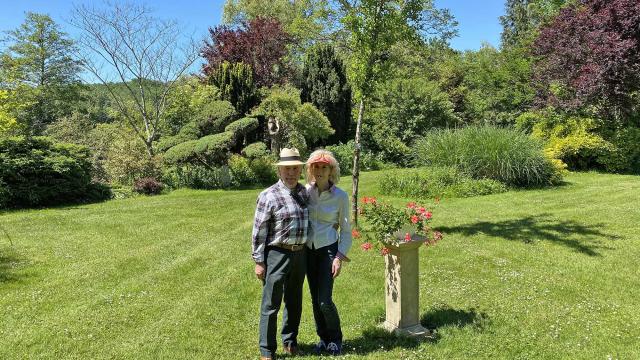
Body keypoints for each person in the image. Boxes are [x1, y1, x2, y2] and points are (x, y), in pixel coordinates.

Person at [252, 148, 309, 360]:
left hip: (300, 254)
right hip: (277, 253)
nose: (291, 173)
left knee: (294, 301)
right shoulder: (268, 196)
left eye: (295, 168)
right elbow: (259, 231)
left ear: (300, 170)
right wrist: (259, 261)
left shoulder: (304, 193)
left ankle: (290, 342)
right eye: (287, 169)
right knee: (271, 303)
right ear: (280, 170)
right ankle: (267, 351)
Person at [305, 149, 352, 355]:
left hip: (328, 250)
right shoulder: (305, 192)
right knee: (315, 299)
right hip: (308, 251)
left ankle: (336, 339)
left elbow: (347, 230)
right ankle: (323, 338)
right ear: (311, 169)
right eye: (316, 167)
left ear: (331, 170)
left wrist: (339, 257)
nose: (320, 171)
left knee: (325, 300)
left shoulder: (340, 196)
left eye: (324, 167)